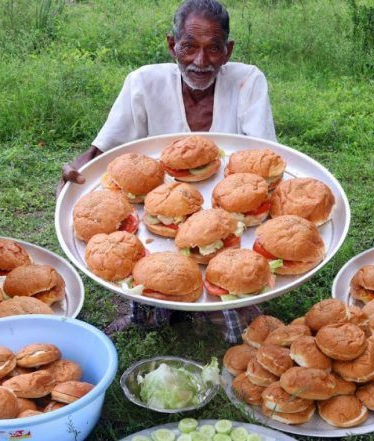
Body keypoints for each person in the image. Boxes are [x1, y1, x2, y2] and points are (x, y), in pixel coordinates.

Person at [57, 0, 277, 343]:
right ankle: (153, 309)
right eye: (189, 47)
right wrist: (75, 171)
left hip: (228, 211)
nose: (201, 62)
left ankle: (233, 308)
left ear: (228, 51)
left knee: (232, 272)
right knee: (151, 264)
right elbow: (100, 151)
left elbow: (262, 159)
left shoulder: (248, 81)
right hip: (157, 206)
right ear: (172, 44)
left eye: (213, 49)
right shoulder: (143, 82)